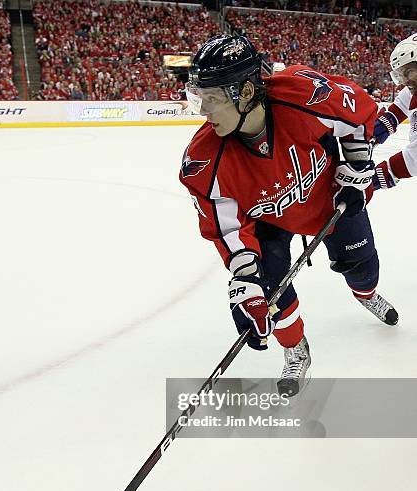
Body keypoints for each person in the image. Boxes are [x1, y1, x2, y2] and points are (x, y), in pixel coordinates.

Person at [179, 34, 398, 396]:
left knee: (362, 267)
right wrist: (245, 277)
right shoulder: (204, 162)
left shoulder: (304, 95)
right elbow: (227, 230)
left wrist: (357, 162)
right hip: (268, 224)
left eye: (213, 99)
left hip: (330, 200)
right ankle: (295, 349)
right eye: (200, 98)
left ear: (246, 91)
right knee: (269, 294)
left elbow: (359, 111)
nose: (203, 111)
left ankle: (366, 293)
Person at [373, 33, 417, 190]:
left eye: (408, 72)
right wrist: (375, 131)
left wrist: (371, 180)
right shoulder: (413, 89)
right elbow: (397, 110)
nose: (405, 81)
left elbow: (414, 159)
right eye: (401, 74)